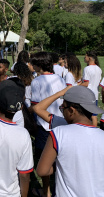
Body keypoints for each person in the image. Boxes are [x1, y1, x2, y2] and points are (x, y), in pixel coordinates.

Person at [36, 86, 104, 197]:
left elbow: (42, 171)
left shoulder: (58, 133)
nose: (62, 111)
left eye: (63, 108)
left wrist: (64, 165)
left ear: (71, 110)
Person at [29, 51, 66, 197]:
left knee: (45, 159)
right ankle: (58, 188)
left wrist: (25, 109)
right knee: (59, 159)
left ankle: (46, 191)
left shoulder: (36, 81)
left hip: (44, 125)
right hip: (60, 122)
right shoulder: (59, 78)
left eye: (33, 63)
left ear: (39, 65)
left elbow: (35, 106)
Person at [80, 50, 102, 126]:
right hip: (95, 95)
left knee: (85, 115)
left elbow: (86, 83)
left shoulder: (87, 69)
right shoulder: (99, 69)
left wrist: (76, 86)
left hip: (87, 95)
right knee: (94, 115)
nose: (84, 58)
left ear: (89, 58)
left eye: (85, 56)